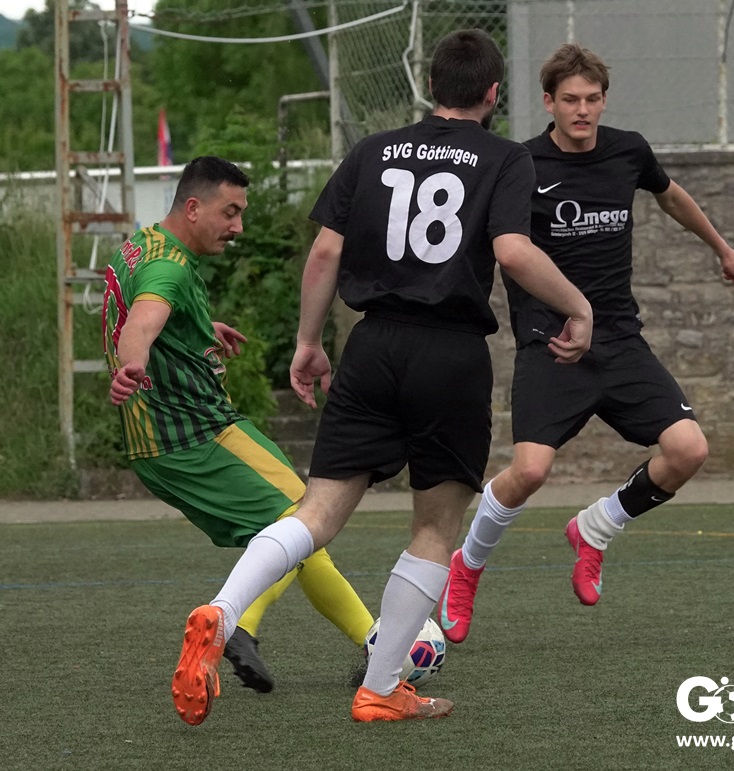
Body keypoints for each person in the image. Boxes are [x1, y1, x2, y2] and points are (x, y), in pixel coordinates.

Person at [169, 29, 593, 726]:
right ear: (493, 93)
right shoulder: (505, 157)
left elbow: (325, 252)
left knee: (316, 512)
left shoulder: (373, 150)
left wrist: (309, 342)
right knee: (436, 526)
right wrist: (578, 306)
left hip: (372, 345)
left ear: (432, 87)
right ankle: (380, 687)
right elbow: (514, 252)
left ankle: (223, 609)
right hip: (450, 353)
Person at [438, 43, 734, 643]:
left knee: (688, 450)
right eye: (570, 100)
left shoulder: (629, 150)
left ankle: (596, 528)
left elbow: (670, 195)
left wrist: (722, 248)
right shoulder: (520, 163)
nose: (581, 110)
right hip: (551, 342)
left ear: (604, 100)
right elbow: (490, 243)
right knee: (530, 471)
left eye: (591, 99)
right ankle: (467, 566)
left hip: (620, 339)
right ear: (548, 103)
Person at [102, 155, 374, 696]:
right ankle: (378, 644)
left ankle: (243, 626)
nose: (239, 226)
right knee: (304, 525)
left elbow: (148, 308)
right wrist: (131, 364)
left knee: (290, 529)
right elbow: (142, 323)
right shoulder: (169, 268)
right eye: (230, 212)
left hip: (164, 442)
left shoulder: (142, 245)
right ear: (193, 207)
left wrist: (198, 327)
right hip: (197, 435)